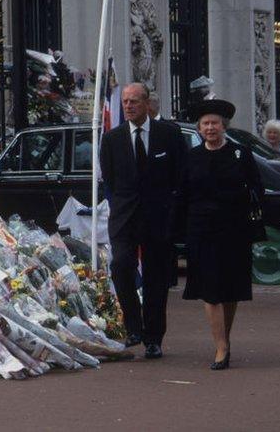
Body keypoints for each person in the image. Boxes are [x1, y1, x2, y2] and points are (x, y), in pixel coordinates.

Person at [99, 82, 186, 359]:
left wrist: (170, 209)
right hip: (125, 217)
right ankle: (133, 327)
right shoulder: (112, 139)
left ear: (147, 103)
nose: (128, 106)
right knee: (121, 264)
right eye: (125, 101)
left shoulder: (168, 135)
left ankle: (153, 337)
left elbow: (179, 175)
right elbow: (110, 180)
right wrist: (119, 205)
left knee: (156, 279)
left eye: (134, 101)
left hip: (157, 217)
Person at [177, 99, 262, 371]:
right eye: (205, 124)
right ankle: (221, 347)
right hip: (202, 230)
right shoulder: (191, 157)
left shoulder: (240, 154)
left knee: (231, 288)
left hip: (234, 229)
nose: (210, 128)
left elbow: (257, 189)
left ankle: (224, 337)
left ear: (223, 126)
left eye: (214, 123)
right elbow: (183, 194)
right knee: (210, 290)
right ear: (199, 128)